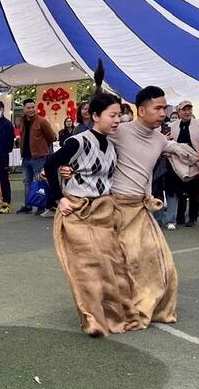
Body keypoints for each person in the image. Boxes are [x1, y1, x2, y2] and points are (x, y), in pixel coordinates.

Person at [62, 85, 196, 328]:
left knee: (161, 262)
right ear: (141, 110)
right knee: (121, 263)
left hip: (141, 208)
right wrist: (68, 167)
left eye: (164, 108)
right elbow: (90, 142)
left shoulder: (160, 139)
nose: (163, 113)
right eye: (158, 108)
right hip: (115, 208)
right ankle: (119, 311)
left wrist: (193, 156)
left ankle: (151, 307)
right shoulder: (119, 131)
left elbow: (176, 149)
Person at [46, 81, 139, 336]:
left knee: (112, 264)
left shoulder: (112, 145)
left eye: (119, 115)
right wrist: (59, 198)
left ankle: (114, 314)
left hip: (104, 209)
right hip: (77, 210)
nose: (117, 120)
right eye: (112, 115)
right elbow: (51, 164)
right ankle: (92, 320)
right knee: (86, 265)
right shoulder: (78, 142)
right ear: (95, 116)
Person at [166, 101, 199, 228]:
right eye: (184, 109)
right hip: (178, 161)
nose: (187, 112)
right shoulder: (172, 126)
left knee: (194, 189)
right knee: (179, 189)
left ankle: (193, 218)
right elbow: (168, 141)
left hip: (195, 160)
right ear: (179, 112)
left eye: (189, 109)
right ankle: (180, 217)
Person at [16, 99, 56, 215]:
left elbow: (51, 137)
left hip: (39, 157)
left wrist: (42, 148)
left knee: (39, 181)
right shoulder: (22, 121)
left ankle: (40, 206)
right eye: (28, 108)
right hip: (26, 156)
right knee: (26, 181)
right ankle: (28, 205)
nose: (31, 110)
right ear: (24, 109)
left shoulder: (42, 121)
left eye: (33, 107)